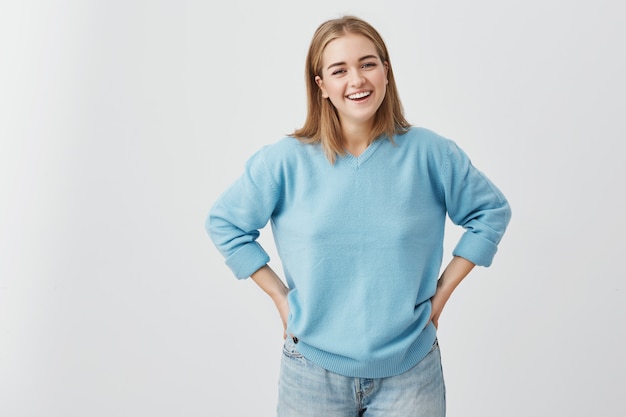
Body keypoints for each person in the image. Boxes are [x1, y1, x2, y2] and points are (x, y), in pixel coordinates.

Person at [206, 15, 511, 417]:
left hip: (411, 371)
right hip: (311, 372)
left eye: (368, 63)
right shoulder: (284, 161)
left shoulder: (431, 153)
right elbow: (226, 224)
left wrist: (440, 298)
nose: (357, 80)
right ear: (321, 85)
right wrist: (281, 298)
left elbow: (490, 212)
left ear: (387, 70)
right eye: (339, 70)